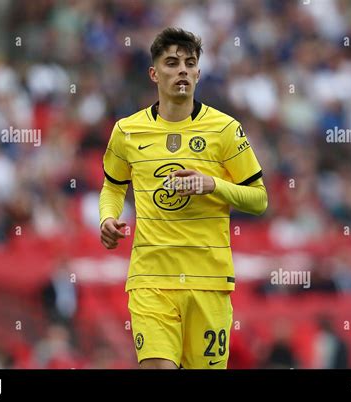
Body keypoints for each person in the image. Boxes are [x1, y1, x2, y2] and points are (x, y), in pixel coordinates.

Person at [99, 27, 268, 369]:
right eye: (172, 63)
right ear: (154, 73)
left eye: (190, 63)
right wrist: (107, 218)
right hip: (151, 280)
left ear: (198, 73)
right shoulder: (127, 131)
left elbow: (259, 199)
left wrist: (214, 185)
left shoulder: (225, 130)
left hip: (209, 281)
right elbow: (114, 186)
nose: (182, 71)